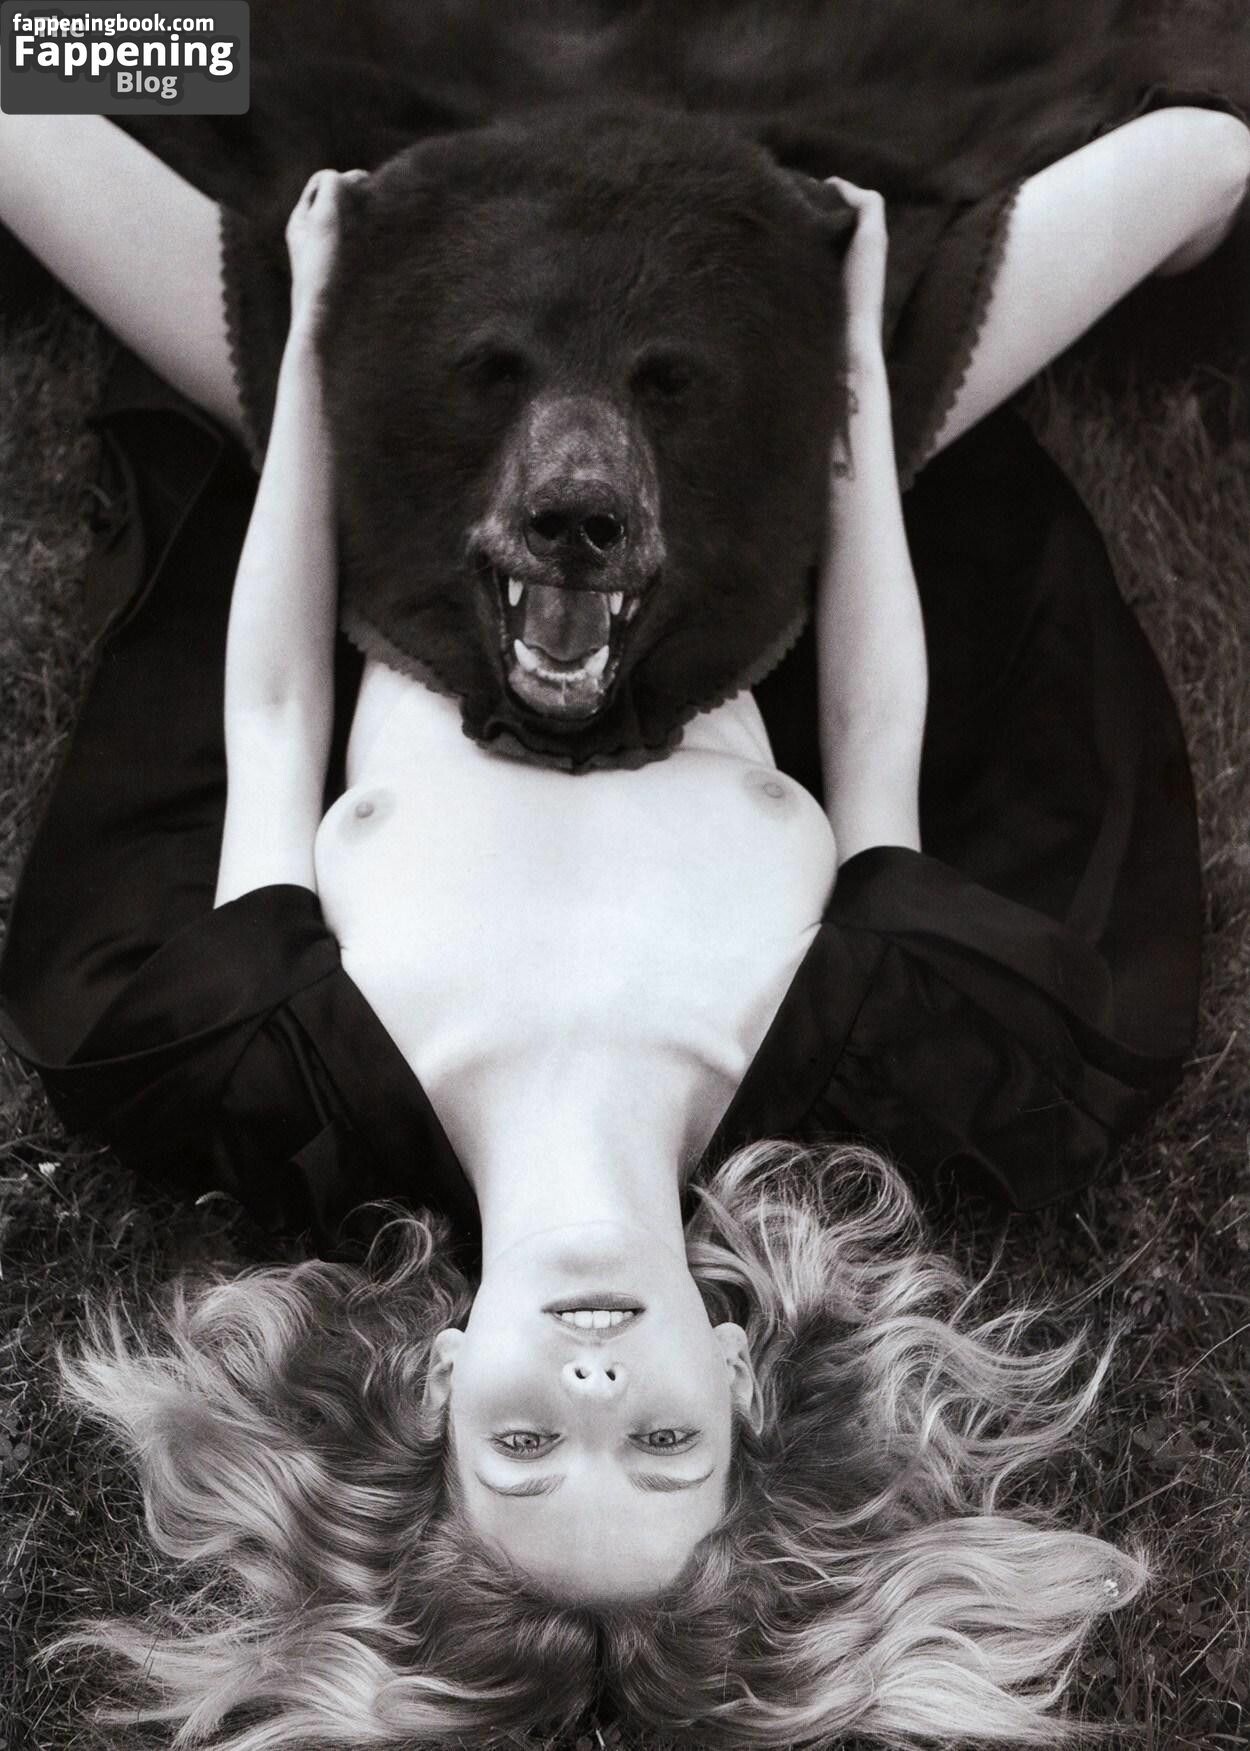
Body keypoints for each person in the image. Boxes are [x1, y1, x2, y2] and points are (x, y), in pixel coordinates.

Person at [0, 105, 1246, 1746]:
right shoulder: (871, 1043)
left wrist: (311, 346)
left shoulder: (289, 1066)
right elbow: (876, 727)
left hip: (415, 467)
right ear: (734, 1389)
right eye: (658, 1449)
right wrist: (845, 368)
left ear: (437, 1392)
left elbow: (278, 709)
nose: (592, 1395)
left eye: (526, 1450)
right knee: (1204, 157)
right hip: (729, 457)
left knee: (29, 100)